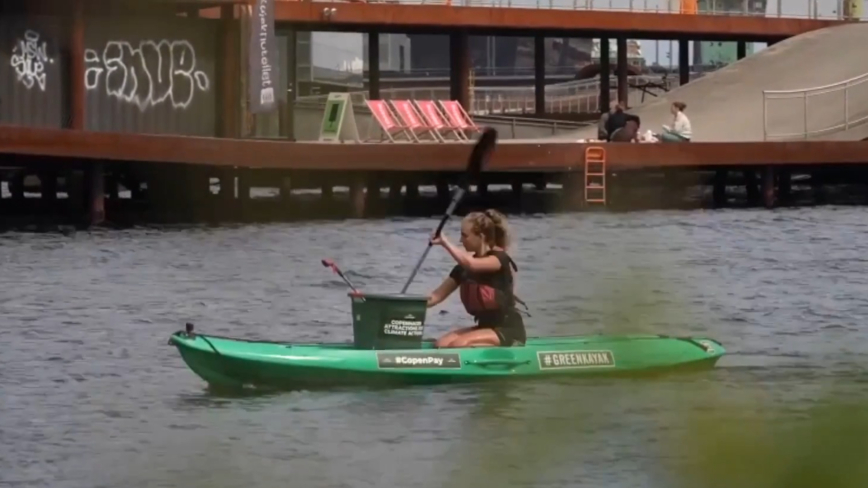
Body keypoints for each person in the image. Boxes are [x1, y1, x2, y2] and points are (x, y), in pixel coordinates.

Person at [426, 209, 526, 348]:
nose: (461, 240)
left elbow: (472, 265)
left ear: (481, 236)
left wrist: (444, 242)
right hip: (485, 327)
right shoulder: (462, 269)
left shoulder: (498, 259)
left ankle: (509, 348)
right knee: (441, 344)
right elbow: (435, 297)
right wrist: (405, 306)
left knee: (459, 344)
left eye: (464, 236)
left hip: (507, 329)